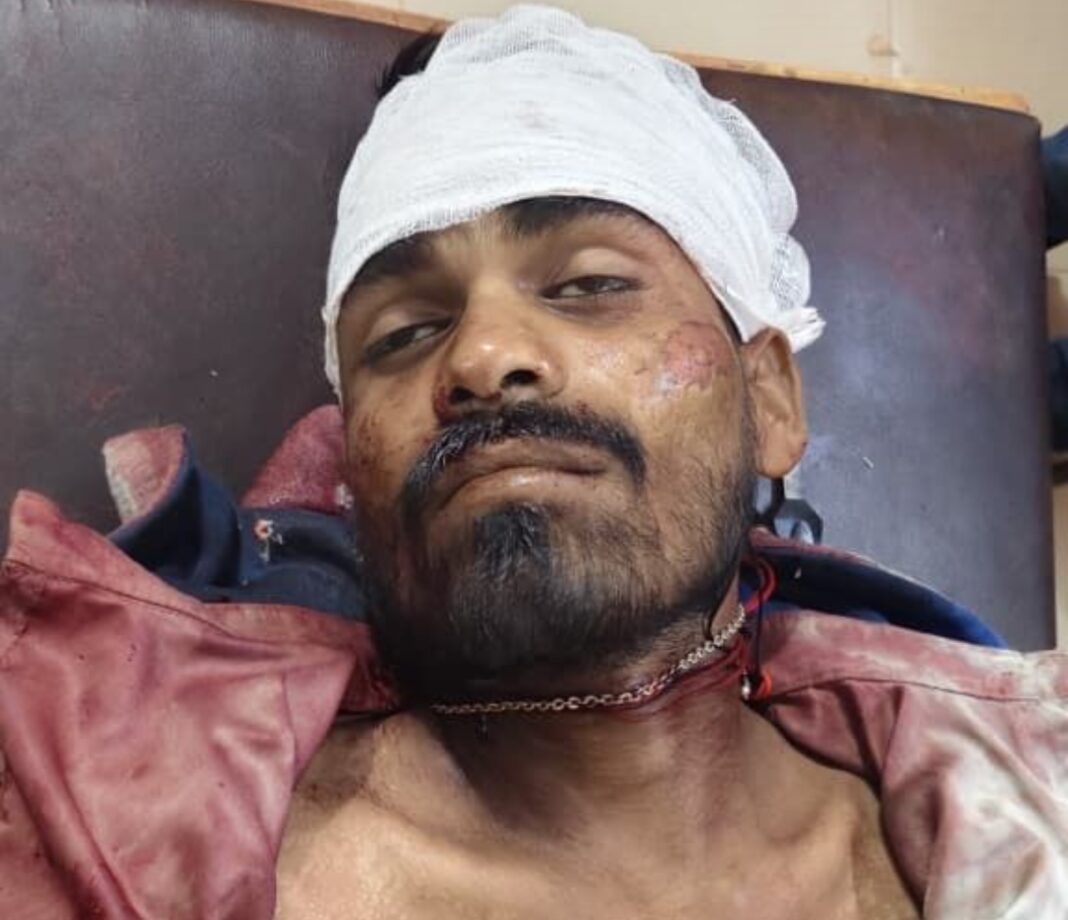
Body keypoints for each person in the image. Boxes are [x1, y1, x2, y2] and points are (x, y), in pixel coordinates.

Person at [1, 6, 1065, 919]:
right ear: (352, 466)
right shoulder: (105, 811)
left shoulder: (1026, 796)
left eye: (590, 284)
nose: (482, 355)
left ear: (772, 399)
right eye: (404, 333)